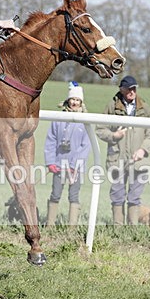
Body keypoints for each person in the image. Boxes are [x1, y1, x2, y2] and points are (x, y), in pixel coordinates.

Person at [95, 76, 150, 225]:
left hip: (139, 161)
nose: (132, 91)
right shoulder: (112, 106)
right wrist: (113, 136)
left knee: (134, 197)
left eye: (134, 88)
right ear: (121, 89)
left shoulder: (144, 107)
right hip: (117, 159)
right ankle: (118, 228)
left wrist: (143, 149)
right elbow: (100, 129)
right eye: (129, 88)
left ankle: (132, 229)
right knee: (117, 195)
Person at [44, 82, 91, 225]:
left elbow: (85, 146)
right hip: (58, 165)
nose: (75, 102)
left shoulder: (85, 121)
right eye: (73, 99)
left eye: (78, 100)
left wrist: (74, 166)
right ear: (68, 100)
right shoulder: (58, 118)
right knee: (55, 194)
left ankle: (72, 228)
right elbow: (50, 140)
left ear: (81, 102)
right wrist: (50, 162)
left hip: (75, 168)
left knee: (73, 196)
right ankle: (50, 225)